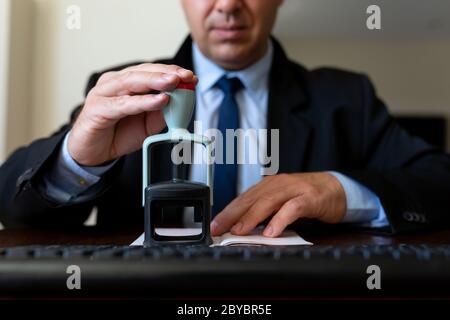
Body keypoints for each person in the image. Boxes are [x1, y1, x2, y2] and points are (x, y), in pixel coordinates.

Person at [1, 0, 449, 237]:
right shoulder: (119, 89)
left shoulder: (347, 98)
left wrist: (339, 190)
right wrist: (77, 162)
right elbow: (11, 206)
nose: (228, 5)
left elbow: (440, 180)